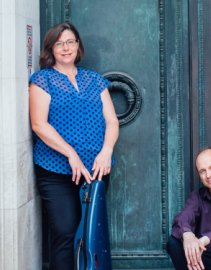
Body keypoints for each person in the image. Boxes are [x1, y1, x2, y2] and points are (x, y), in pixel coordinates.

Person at [29, 22, 119, 270]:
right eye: (59, 43)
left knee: (91, 233)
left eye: (70, 42)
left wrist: (106, 151)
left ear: (78, 45)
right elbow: (39, 124)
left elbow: (112, 121)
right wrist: (71, 154)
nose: (65, 48)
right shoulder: (42, 80)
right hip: (56, 171)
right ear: (51, 49)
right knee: (66, 232)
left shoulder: (95, 80)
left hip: (96, 171)